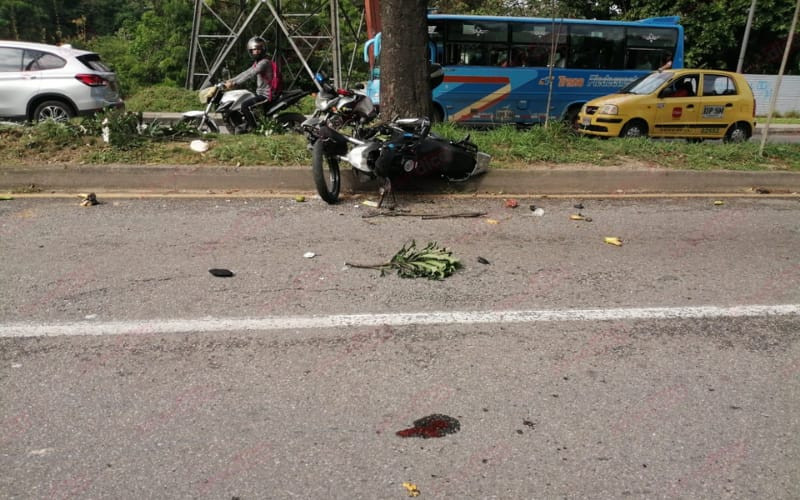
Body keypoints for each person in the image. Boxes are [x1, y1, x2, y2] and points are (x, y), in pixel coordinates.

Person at [224, 36, 279, 133]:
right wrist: (230, 81)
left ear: (263, 49)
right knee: (241, 101)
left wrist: (235, 83)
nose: (256, 52)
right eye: (253, 50)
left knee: (245, 105)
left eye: (258, 49)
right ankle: (244, 124)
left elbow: (251, 74)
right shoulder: (257, 63)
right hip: (260, 93)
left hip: (266, 95)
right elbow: (246, 72)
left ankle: (254, 129)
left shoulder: (264, 63)